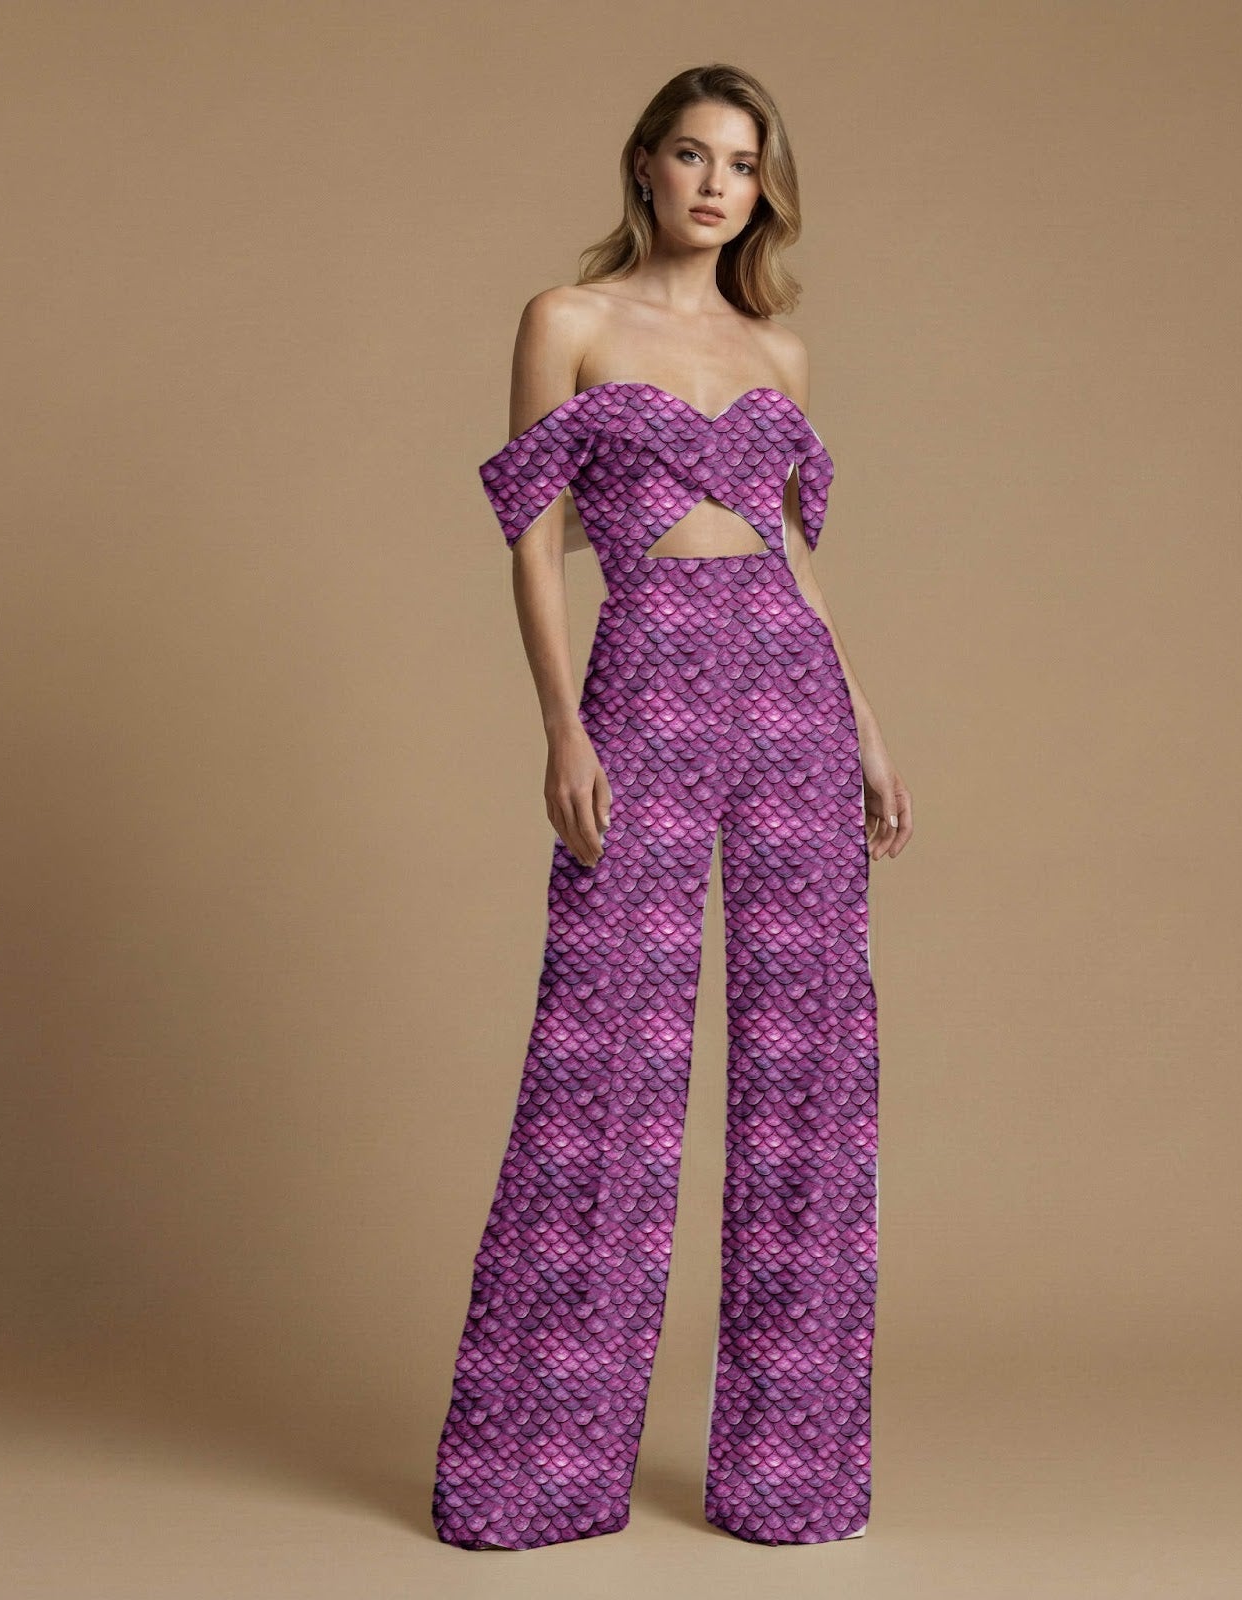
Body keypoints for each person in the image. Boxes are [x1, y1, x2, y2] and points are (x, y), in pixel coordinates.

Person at [433, 62, 913, 1552]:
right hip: (642, 681)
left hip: (791, 698)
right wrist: (561, 724)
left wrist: (865, 725)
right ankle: (536, 1469)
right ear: (644, 164)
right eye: (695, 155)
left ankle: (792, 1475)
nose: (718, 184)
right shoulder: (567, 321)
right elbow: (533, 541)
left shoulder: (779, 352)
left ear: (765, 190)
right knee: (605, 1057)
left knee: (812, 1066)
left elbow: (796, 558)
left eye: (744, 164)